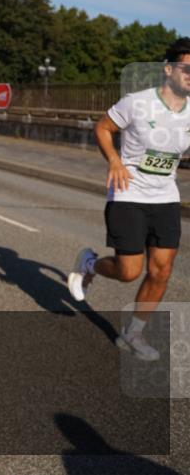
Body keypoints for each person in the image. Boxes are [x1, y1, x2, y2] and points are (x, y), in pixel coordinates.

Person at [68, 37, 190, 361]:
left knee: (162, 270)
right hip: (128, 193)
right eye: (186, 67)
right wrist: (114, 160)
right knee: (129, 271)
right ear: (168, 70)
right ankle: (90, 263)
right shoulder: (137, 102)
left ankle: (133, 333)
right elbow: (103, 128)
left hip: (165, 196)